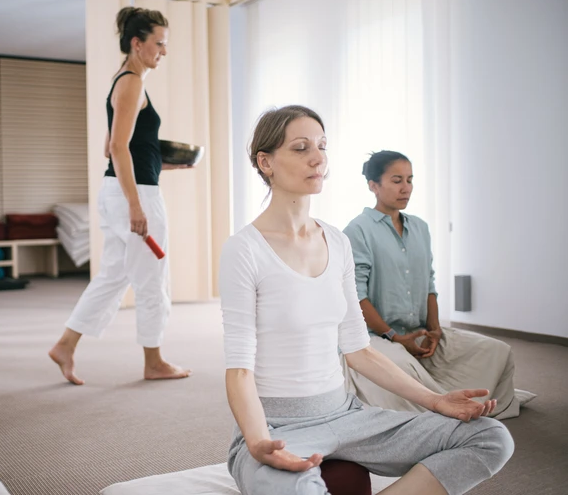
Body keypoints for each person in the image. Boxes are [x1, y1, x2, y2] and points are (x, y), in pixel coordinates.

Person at [220, 106, 513, 495]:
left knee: (491, 437)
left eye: (322, 146)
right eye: (302, 147)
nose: (318, 158)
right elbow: (239, 370)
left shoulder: (337, 241)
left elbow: (359, 350)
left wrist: (436, 401)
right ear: (266, 162)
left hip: (347, 416)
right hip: (277, 426)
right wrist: (258, 442)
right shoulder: (244, 249)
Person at [49, 7, 191, 385]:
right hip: (134, 195)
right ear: (137, 43)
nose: (164, 51)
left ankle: (65, 345)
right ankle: (154, 361)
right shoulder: (132, 83)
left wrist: (163, 164)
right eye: (159, 43)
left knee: (114, 275)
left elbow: (111, 148)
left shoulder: (122, 81)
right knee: (153, 277)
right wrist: (136, 205)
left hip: (120, 190)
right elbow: (116, 147)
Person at [342, 150, 535, 420]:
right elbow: (356, 296)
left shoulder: (420, 228)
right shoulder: (357, 230)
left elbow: (429, 284)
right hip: (378, 336)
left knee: (497, 351)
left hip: (418, 330)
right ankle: (444, 408)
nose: (406, 188)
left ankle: (461, 402)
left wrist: (434, 329)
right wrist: (395, 337)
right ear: (373, 185)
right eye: (397, 180)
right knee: (403, 372)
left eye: (410, 180)